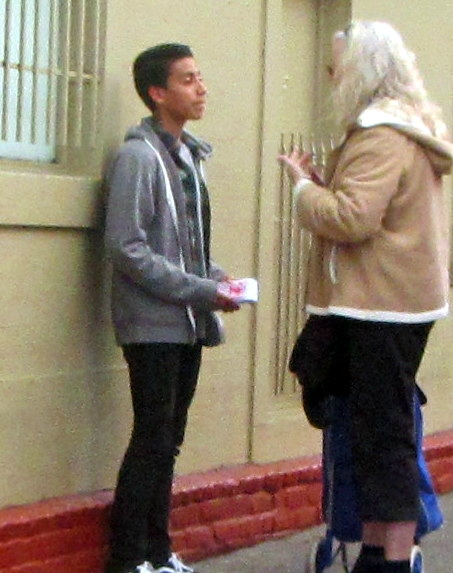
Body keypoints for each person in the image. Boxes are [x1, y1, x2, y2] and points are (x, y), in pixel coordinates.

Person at [278, 21, 453, 573]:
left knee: (384, 438)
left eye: (338, 69)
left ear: (363, 72)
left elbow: (353, 218)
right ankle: (381, 549)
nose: (332, 79)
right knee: (378, 432)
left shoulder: (380, 134)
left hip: (379, 305)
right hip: (389, 301)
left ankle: (392, 558)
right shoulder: (402, 128)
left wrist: (303, 188)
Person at [104, 43, 240, 573]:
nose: (201, 88)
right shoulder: (138, 157)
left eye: (200, 77)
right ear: (157, 93)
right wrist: (199, 290)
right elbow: (127, 247)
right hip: (152, 324)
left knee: (169, 443)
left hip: (186, 323)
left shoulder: (188, 158)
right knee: (152, 439)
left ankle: (158, 556)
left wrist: (216, 280)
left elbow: (184, 243)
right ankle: (127, 559)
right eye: (187, 80)